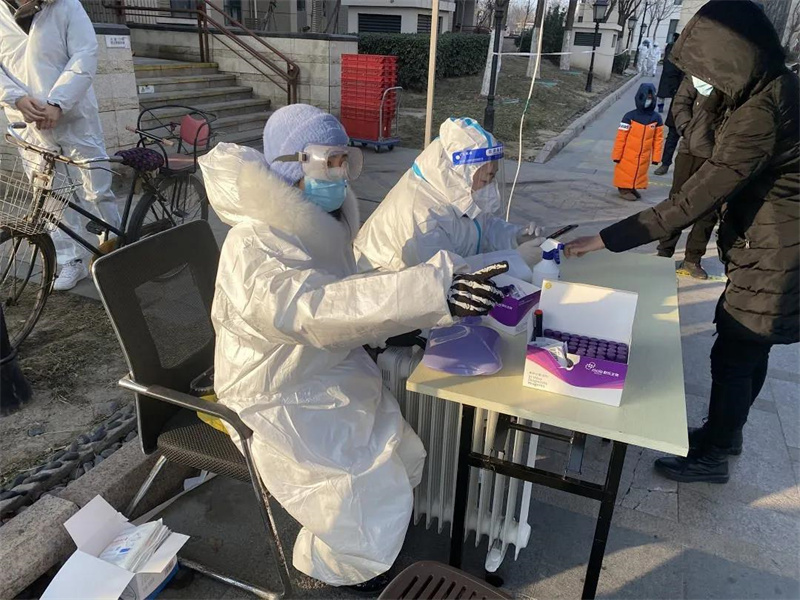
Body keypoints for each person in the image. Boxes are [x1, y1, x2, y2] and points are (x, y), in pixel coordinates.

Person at [199, 105, 508, 591]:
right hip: (273, 391)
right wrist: (430, 291)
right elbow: (310, 309)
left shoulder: (318, 224)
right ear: (294, 164)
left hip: (324, 370)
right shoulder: (254, 244)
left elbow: (349, 292)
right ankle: (331, 569)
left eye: (347, 160)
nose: (343, 173)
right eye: (333, 161)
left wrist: (428, 294)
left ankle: (371, 545)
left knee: (401, 450)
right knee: (357, 486)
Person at [564, 2, 799, 485]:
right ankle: (726, 435)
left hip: (774, 251)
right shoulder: (777, 88)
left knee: (735, 353)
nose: (704, 82)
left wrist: (607, 238)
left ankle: (713, 454)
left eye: (707, 71)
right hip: (777, 243)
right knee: (751, 348)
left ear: (731, 57)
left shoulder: (761, 111)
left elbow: (697, 195)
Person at [0, 0, 120, 291]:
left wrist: (58, 103)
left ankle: (113, 250)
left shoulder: (66, 6)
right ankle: (70, 260)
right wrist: (15, 97)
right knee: (50, 196)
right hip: (27, 121)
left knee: (96, 187)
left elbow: (85, 53)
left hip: (74, 116)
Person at [354, 117, 541, 278]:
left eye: (493, 178)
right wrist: (513, 260)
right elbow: (444, 276)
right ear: (458, 173)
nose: (489, 187)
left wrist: (514, 237)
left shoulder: (457, 193)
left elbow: (482, 227)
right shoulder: (419, 214)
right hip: (386, 293)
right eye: (485, 180)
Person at [655, 75, 726, 279]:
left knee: (709, 210)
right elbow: (680, 102)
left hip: (720, 156)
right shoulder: (699, 74)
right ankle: (664, 251)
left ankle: (693, 259)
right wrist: (687, 128)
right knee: (677, 202)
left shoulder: (737, 77)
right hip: (691, 150)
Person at [612, 83, 663, 201]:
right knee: (626, 170)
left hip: (644, 155)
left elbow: (658, 140)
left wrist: (656, 158)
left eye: (650, 98)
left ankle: (632, 187)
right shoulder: (629, 116)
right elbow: (621, 137)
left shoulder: (656, 118)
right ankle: (623, 188)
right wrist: (617, 155)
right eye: (646, 98)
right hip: (627, 154)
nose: (648, 100)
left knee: (640, 171)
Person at [654, 33, 683, 175]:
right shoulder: (679, 50)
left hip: (702, 100)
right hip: (681, 96)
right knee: (673, 133)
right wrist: (674, 90)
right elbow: (670, 70)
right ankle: (665, 163)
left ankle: (685, 168)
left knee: (695, 138)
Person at [656, 33, 681, 115]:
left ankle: (661, 106)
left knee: (663, 91)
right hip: (676, 72)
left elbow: (666, 58)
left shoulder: (670, 46)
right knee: (674, 93)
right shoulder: (680, 47)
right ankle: (671, 109)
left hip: (667, 72)